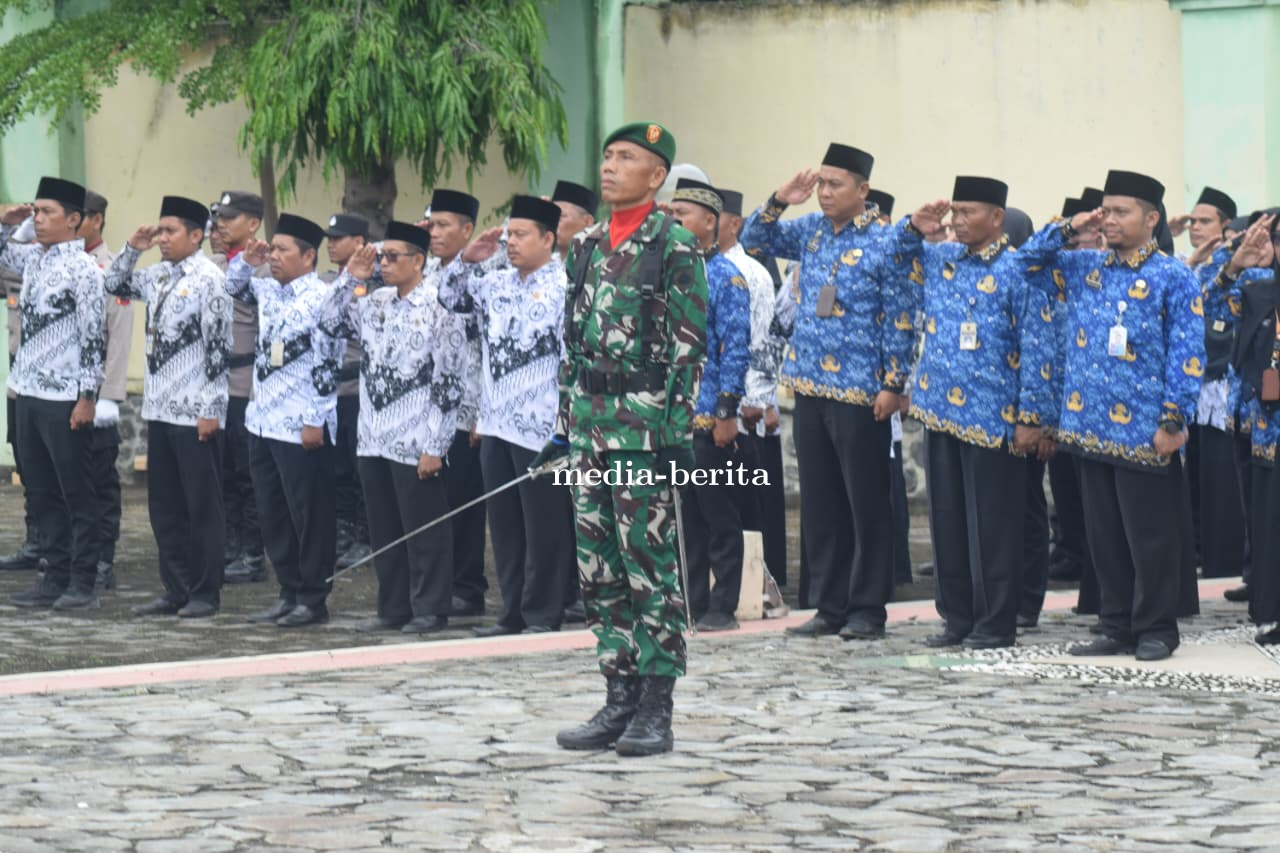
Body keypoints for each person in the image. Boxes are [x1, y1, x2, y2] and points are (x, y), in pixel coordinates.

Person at [540, 122, 707, 756]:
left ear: (656, 174)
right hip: (589, 426)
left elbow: (689, 349)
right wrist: (564, 428)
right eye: (607, 155)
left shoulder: (675, 247)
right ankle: (619, 694)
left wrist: (673, 434)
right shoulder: (582, 245)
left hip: (643, 431)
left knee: (649, 564)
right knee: (599, 566)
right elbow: (572, 344)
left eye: (626, 158)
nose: (610, 166)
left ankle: (657, 705)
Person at [1020, 170, 1205, 662]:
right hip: (1089, 426)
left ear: (1152, 218)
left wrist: (1174, 420)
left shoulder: (1174, 275)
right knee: (1104, 538)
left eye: (1122, 212)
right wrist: (1069, 226)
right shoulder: (1085, 267)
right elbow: (1026, 263)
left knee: (1150, 537)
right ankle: (1116, 624)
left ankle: (1156, 628)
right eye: (1107, 211)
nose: (1112, 221)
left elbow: (1187, 354)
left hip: (1146, 430)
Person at [740, 143, 915, 640]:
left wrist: (893, 384)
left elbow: (902, 318)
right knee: (821, 504)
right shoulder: (812, 230)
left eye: (836, 185)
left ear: (863, 190)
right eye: (821, 183)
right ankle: (830, 605)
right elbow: (756, 236)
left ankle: (867, 608)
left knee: (866, 504)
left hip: (862, 394)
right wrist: (781, 198)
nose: (824, 193)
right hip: (811, 387)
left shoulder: (887, 242)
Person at [898, 181, 1053, 648]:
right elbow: (892, 257)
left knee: (993, 524)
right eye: (955, 212)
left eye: (968, 212)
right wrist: (914, 227)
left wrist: (1032, 417)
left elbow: (1038, 344)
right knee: (947, 522)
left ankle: (995, 622)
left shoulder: (1019, 269)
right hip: (941, 411)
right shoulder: (941, 259)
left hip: (995, 417)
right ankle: (957, 618)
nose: (958, 220)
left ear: (997, 218)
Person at [319, 221, 466, 634]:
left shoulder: (441, 306)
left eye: (392, 257)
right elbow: (328, 322)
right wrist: (352, 277)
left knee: (424, 528)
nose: (383, 264)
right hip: (374, 435)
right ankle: (393, 607)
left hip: (417, 435)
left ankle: (430, 608)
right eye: (381, 256)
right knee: (385, 527)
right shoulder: (375, 301)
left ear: (418, 261)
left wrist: (436, 444)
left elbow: (449, 380)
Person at [439, 195, 576, 636]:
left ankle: (543, 613)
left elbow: (575, 359)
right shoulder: (494, 283)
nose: (511, 243)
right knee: (504, 526)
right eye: (508, 234)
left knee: (544, 526)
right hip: (496, 423)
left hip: (542, 427)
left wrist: (567, 426)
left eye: (521, 235)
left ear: (549, 239)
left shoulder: (566, 287)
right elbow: (449, 297)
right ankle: (511, 611)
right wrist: (467, 259)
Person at [106, 195, 232, 618]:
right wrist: (132, 249)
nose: (162, 238)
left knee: (201, 507)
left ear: (197, 236)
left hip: (194, 410)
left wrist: (212, 408)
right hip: (160, 409)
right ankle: (174, 589)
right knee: (165, 508)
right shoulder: (159, 274)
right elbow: (114, 284)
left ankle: (204, 592)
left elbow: (218, 350)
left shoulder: (210, 280)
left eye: (170, 231)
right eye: (159, 230)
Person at [225, 214, 341, 627]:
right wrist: (245, 258)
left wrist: (315, 419)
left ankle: (313, 597)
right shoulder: (270, 291)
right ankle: (288, 590)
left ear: (309, 256)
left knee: (308, 516)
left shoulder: (323, 298)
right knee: (273, 513)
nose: (273, 257)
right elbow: (232, 287)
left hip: (301, 426)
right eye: (272, 249)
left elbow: (329, 363)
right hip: (263, 420)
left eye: (282, 250)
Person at [0, 178, 106, 609]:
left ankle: (82, 582)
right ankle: (51, 575)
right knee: (40, 491)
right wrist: (5, 221)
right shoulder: (35, 260)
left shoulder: (84, 269)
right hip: (27, 391)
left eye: (47, 213)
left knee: (75, 493)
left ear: (74, 220)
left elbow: (94, 336)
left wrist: (87, 397)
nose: (38, 219)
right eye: (36, 211)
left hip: (64, 398)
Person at [669, 179, 750, 632]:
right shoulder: (668, 270)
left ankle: (723, 604)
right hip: (674, 415)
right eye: (672, 211)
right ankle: (691, 600)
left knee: (718, 513)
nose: (674, 218)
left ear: (710, 222)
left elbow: (736, 348)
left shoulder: (726, 278)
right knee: (685, 517)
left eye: (683, 212)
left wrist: (726, 411)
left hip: (708, 414)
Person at [718, 187, 786, 587]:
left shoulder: (753, 273)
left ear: (732, 223)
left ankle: (756, 588)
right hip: (707, 408)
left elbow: (764, 341)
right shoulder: (693, 266)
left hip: (743, 412)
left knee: (747, 509)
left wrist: (756, 399)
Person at [424, 189, 488, 619]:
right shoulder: (420, 267)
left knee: (465, 500)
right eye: (431, 223)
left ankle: (468, 587)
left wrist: (483, 410)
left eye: (444, 224)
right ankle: (436, 582)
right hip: (425, 405)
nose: (434, 232)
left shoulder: (486, 270)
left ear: (467, 230)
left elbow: (488, 345)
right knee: (431, 500)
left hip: (467, 404)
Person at [79, 190, 134, 592]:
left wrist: (109, 397)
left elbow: (118, 338)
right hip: (63, 393)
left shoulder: (111, 269)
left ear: (95, 219)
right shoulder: (57, 265)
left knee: (100, 482)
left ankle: (102, 558)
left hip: (96, 395)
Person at [212, 191, 267, 585]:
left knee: (246, 475)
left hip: (245, 385)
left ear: (253, 224)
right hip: (215, 386)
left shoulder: (264, 270)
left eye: (230, 218)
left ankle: (252, 555)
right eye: (219, 217)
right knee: (223, 474)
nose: (221, 224)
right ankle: (230, 547)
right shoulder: (214, 265)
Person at [320, 213, 373, 573]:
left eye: (339, 238)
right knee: (337, 468)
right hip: (330, 389)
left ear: (359, 243)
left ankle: (367, 537)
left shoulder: (374, 280)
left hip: (358, 387)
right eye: (329, 238)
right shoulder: (324, 281)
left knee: (359, 469)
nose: (331, 244)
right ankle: (343, 533)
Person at [551, 180, 597, 258]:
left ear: (587, 222)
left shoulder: (597, 265)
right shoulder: (542, 265)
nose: (552, 222)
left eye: (561, 216)